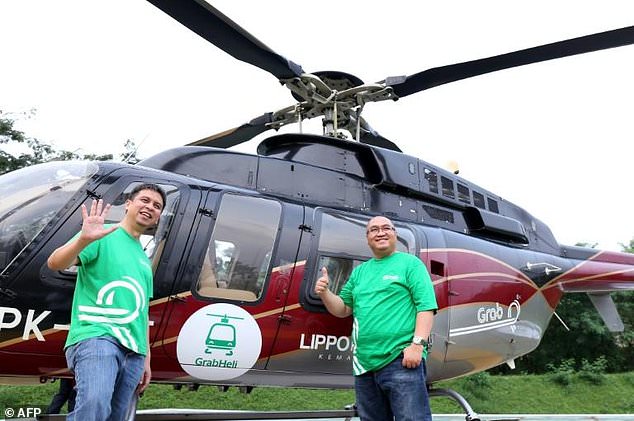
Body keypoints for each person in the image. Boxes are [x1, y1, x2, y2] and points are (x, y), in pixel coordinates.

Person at [47, 183, 166, 421]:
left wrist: (146, 358)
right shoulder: (101, 236)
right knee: (94, 406)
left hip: (134, 352)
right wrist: (82, 240)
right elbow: (55, 263)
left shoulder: (144, 260)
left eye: (157, 205)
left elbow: (141, 311)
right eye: (144, 200)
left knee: (116, 417)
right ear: (128, 204)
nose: (150, 207)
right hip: (99, 337)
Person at [315, 215, 438, 421]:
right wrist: (325, 293)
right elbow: (343, 309)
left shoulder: (411, 264)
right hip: (364, 366)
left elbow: (425, 307)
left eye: (386, 228)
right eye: (374, 230)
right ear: (368, 238)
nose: (380, 233)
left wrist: (417, 345)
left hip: (401, 359)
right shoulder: (359, 273)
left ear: (395, 234)